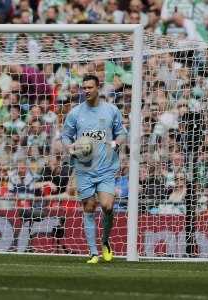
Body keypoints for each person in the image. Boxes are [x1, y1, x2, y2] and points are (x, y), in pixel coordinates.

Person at [61, 74, 126, 264]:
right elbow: (65, 136)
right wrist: (70, 147)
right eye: (84, 87)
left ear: (98, 88)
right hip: (84, 168)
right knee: (89, 207)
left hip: (106, 168)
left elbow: (121, 133)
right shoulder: (75, 113)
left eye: (90, 87)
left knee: (107, 206)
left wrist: (115, 143)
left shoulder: (111, 110)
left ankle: (105, 241)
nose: (87, 90)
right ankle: (93, 252)